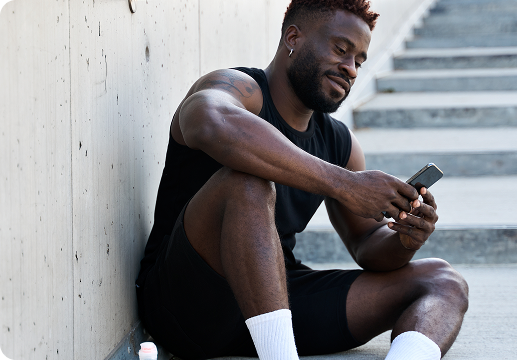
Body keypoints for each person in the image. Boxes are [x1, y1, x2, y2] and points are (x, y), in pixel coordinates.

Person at [135, 0, 469, 359]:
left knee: (442, 281)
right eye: (341, 49)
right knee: (246, 183)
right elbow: (207, 121)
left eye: (359, 60)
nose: (351, 69)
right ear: (293, 37)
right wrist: (345, 183)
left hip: (274, 304)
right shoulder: (239, 89)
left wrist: (405, 238)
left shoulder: (340, 143)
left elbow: (368, 247)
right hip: (187, 303)